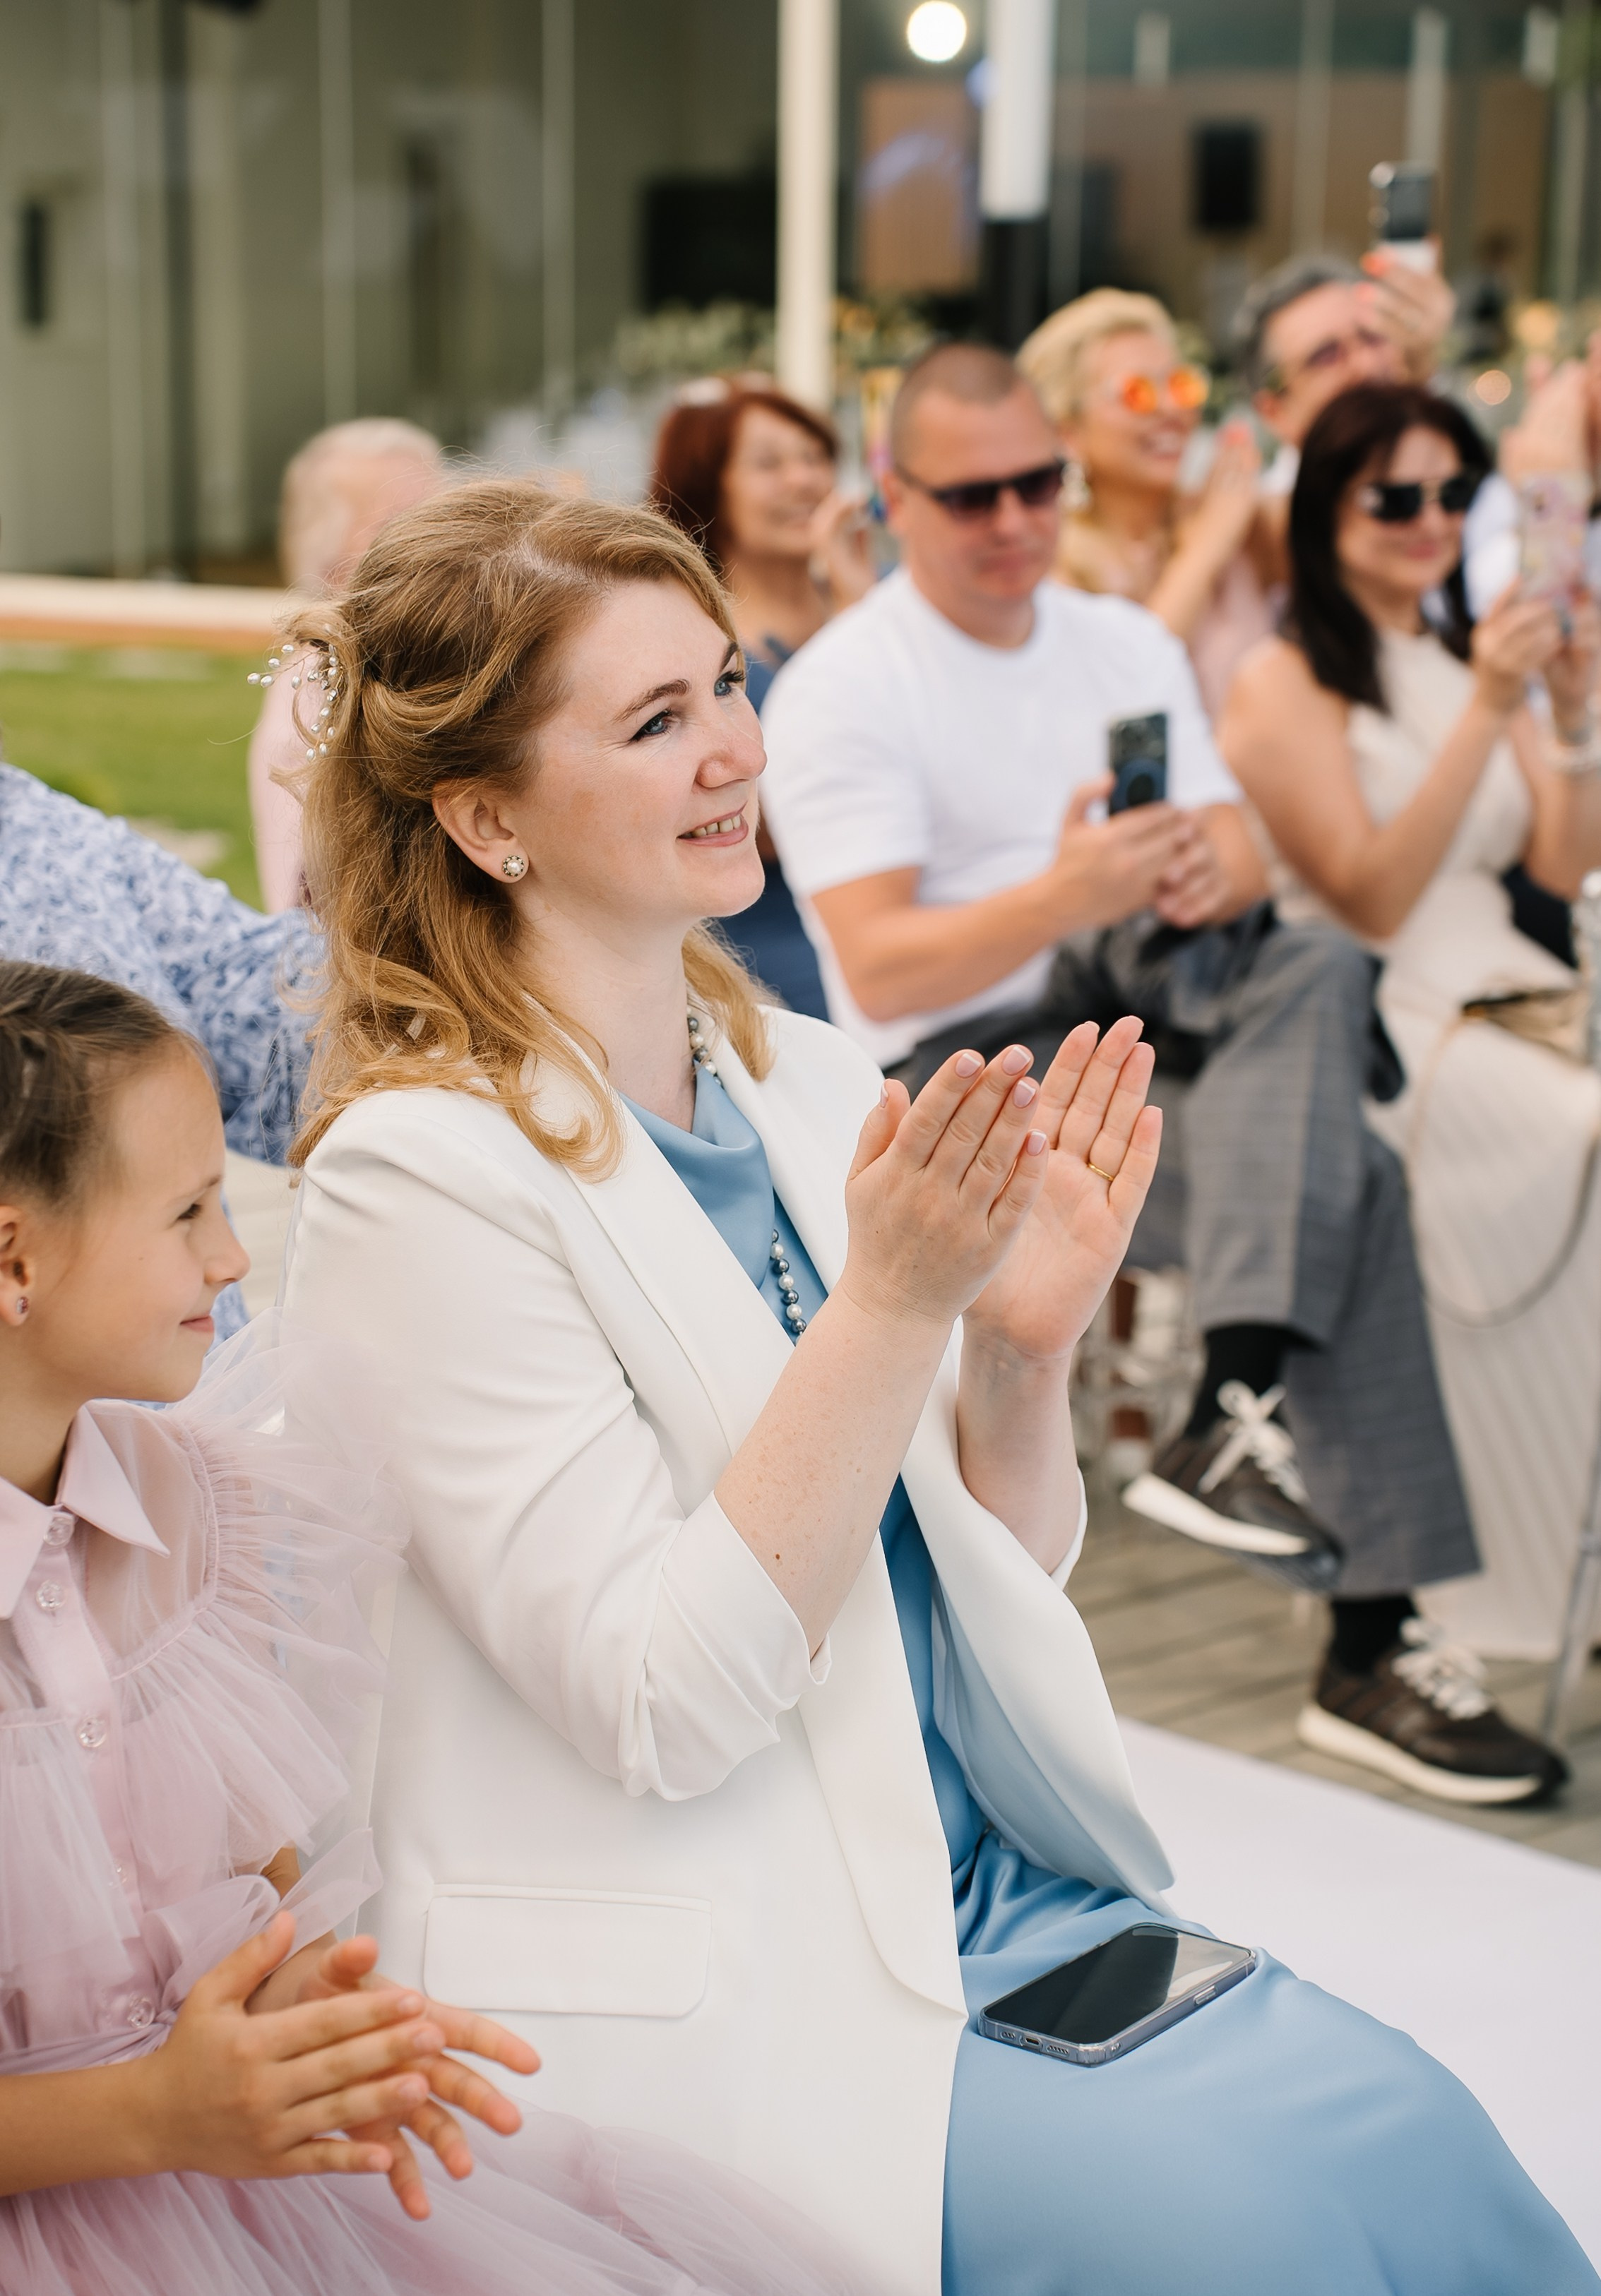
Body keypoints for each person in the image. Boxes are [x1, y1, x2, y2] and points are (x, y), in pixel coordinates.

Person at [277, 479, 1595, 2295]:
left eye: (724, 684)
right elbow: (661, 1700)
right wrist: (891, 1308)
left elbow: (989, 1573)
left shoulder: (807, 1078)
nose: (732, 748)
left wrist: (1017, 1346)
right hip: (745, 1948)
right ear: (484, 813)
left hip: (982, 1883)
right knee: (1255, 2241)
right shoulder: (416, 1184)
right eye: (653, 720)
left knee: (1421, 2146)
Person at [759, 341, 1565, 1806]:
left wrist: (1199, 861)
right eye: (972, 495)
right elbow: (877, 968)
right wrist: (1067, 891)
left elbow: (1247, 848)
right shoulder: (839, 687)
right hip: (971, 1060)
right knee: (1358, 1172)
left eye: (1036, 484)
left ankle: (1232, 1406)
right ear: (892, 497)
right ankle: (1362, 1637)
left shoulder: (1120, 644)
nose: (1012, 519)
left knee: (1314, 964)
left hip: (1151, 996)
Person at [0, 959, 881, 2296]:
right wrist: (155, 2114)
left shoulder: (193, 1510)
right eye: (187, 1212)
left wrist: (311, 2031)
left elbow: (257, 1873)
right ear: (14, 1255)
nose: (234, 1258)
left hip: (241, 2192)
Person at [1221, 381, 1601, 1666]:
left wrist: (1570, 710)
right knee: (1579, 1132)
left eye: (1453, 493)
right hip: (1375, 1015)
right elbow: (1371, 892)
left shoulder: (1460, 652)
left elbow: (1552, 859)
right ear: (1329, 506)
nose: (1430, 520)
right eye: (1396, 495)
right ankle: (1491, 1576)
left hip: (1513, 988)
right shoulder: (1280, 680)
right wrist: (1494, 708)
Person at [0, 761, 317, 1337]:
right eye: (184, 1212)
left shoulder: (34, 826)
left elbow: (279, 1048)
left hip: (176, 1409)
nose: (235, 1265)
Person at [651, 380, 873, 1017]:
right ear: (708, 483)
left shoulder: (882, 594)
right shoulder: (691, 644)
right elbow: (782, 816)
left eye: (814, 457)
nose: (805, 480)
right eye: (771, 464)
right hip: (771, 968)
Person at [1017, 289, 1270, 715]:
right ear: (1067, 431)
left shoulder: (1233, 516)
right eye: (1138, 392)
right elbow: (1124, 695)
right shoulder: (1046, 563)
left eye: (1181, 385)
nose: (1172, 409)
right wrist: (1204, 552)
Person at [251, 419, 448, 911]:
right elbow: (304, 906)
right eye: (399, 523)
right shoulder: (316, 685)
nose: (441, 541)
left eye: (440, 513)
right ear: (328, 555)